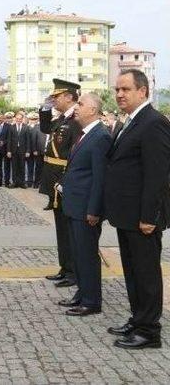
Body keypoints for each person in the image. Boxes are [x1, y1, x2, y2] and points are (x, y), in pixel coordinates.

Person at [104, 69, 170, 349]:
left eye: (126, 89)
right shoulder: (131, 121)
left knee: (146, 274)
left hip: (142, 217)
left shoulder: (153, 122)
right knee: (132, 271)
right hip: (127, 215)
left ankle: (149, 331)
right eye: (117, 89)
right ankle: (138, 318)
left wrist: (149, 216)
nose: (119, 94)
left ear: (143, 91)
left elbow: (158, 175)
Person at [58, 93, 111, 316]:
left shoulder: (100, 136)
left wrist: (94, 210)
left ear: (93, 110)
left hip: (85, 209)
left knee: (87, 255)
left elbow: (100, 178)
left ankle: (91, 301)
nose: (76, 107)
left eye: (81, 104)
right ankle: (82, 294)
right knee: (78, 253)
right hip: (74, 205)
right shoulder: (85, 134)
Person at [40, 79, 83, 288]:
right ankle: (65, 268)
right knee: (61, 229)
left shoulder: (76, 120)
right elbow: (45, 127)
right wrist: (44, 109)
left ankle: (73, 271)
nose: (54, 99)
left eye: (56, 97)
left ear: (69, 97)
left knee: (69, 230)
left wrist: (64, 181)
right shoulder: (63, 119)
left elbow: (76, 155)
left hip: (65, 182)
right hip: (56, 182)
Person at [7, 111, 30, 189]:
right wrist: (8, 151)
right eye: (17, 119)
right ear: (15, 119)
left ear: (22, 119)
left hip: (23, 151)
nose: (19, 120)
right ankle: (14, 182)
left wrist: (27, 151)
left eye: (20, 119)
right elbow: (9, 139)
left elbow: (28, 140)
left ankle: (22, 183)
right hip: (13, 151)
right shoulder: (11, 127)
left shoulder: (26, 127)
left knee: (22, 167)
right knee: (14, 167)